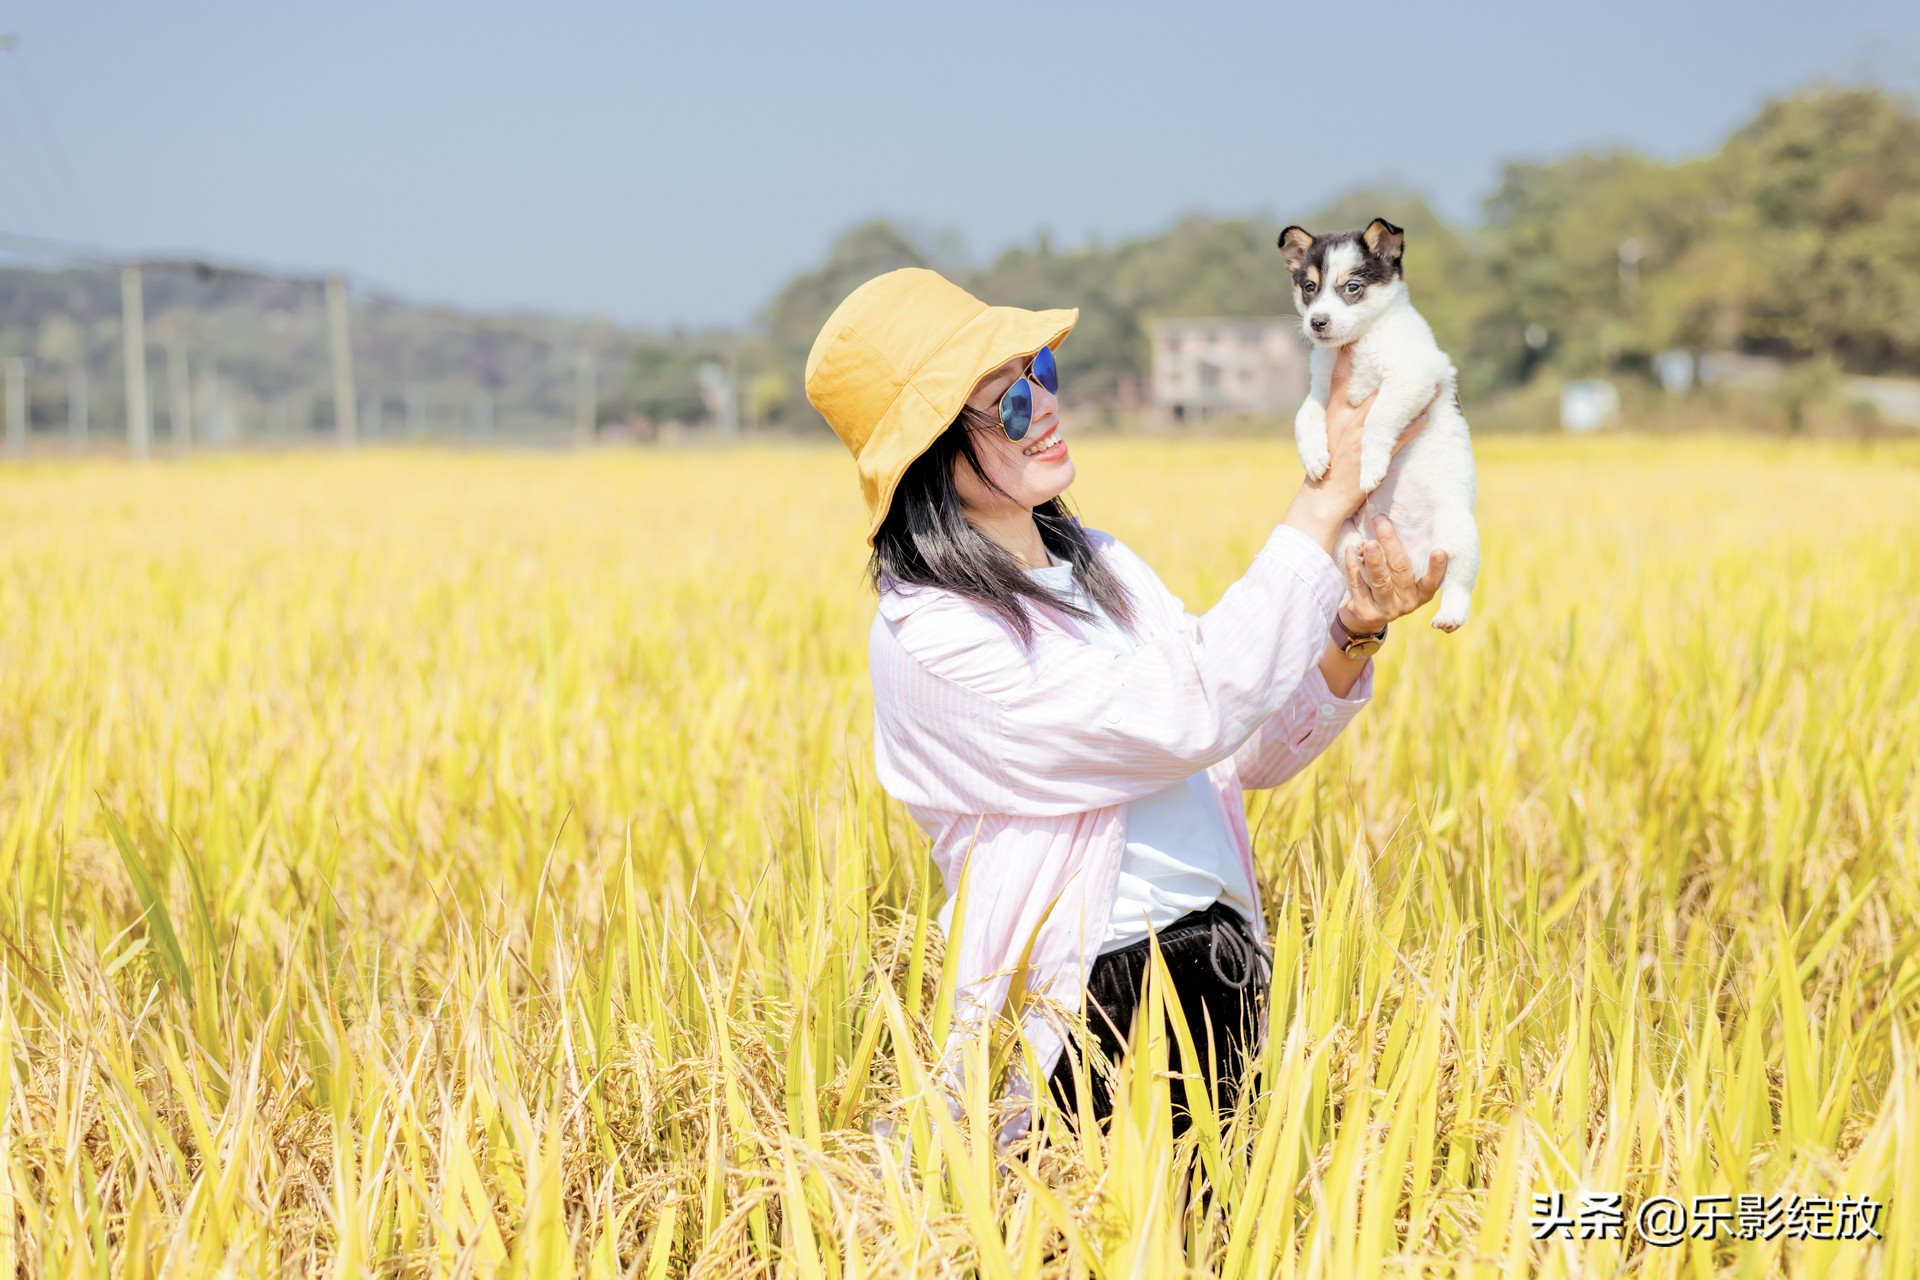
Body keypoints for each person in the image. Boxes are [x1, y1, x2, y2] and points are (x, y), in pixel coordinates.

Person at [804, 268, 1446, 1145]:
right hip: (1096, 1003)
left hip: (1220, 965)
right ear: (928, 455)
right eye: (1008, 403)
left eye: (1040, 374)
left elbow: (1235, 752)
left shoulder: (1100, 565)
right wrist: (1323, 500)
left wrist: (1352, 630)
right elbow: (1194, 714)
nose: (1044, 406)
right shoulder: (935, 635)